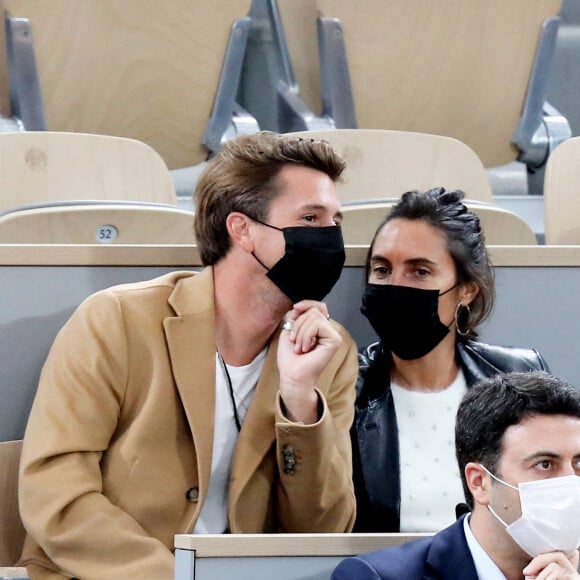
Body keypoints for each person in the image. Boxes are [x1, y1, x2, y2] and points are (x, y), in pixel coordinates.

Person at [17, 132, 358, 579]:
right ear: (241, 229)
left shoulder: (330, 351)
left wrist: (300, 399)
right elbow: (54, 492)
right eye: (310, 218)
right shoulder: (117, 321)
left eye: (335, 221)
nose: (329, 237)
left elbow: (322, 531)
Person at [353, 188, 549, 532]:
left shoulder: (518, 377)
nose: (395, 285)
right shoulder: (347, 387)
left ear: (466, 289)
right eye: (382, 269)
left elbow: (553, 503)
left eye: (420, 272)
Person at [333, 370, 580, 580]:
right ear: (479, 482)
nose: (571, 481)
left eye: (579, 464)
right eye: (545, 464)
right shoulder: (376, 576)